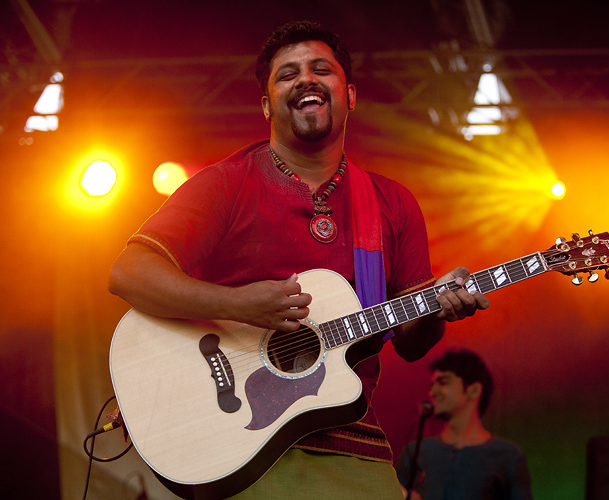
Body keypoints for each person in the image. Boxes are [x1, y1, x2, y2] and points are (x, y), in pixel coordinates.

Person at [108, 20, 489, 500]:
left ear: (349, 94)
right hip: (233, 444)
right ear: (267, 105)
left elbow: (411, 345)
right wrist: (238, 304)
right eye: (287, 74)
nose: (305, 79)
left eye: (320, 69)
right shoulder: (226, 183)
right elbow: (129, 272)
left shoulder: (391, 204)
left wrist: (439, 309)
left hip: (350, 442)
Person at [395, 349, 532, 500]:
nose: (432, 392)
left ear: (473, 390)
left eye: (443, 382)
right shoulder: (414, 452)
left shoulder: (508, 455)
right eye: (431, 384)